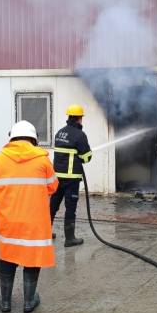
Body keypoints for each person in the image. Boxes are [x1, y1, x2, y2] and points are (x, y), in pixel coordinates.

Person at [0, 121, 58, 313]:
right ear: (33, 138)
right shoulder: (42, 160)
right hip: (34, 222)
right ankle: (28, 302)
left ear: (12, 138)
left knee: (8, 258)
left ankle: (6, 302)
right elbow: (53, 187)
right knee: (32, 259)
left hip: (8, 219)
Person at [49, 104, 92, 247]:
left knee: (53, 205)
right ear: (79, 118)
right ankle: (69, 238)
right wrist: (83, 156)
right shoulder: (79, 135)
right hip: (71, 179)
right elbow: (86, 157)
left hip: (57, 177)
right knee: (70, 207)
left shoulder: (59, 133)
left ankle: (44, 233)